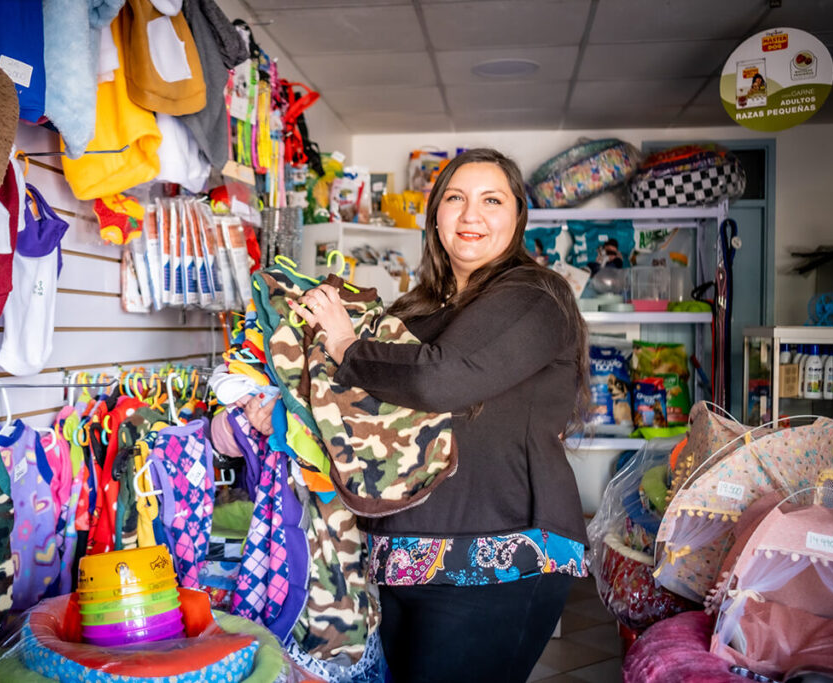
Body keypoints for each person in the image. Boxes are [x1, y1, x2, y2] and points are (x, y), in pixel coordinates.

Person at [243, 148, 590, 682]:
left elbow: (438, 379)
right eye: (455, 198)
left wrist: (344, 343)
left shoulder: (535, 294)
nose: (471, 215)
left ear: (518, 215)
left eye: (491, 200)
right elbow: (362, 415)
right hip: (403, 554)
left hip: (499, 555)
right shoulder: (418, 310)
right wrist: (284, 414)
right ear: (435, 216)